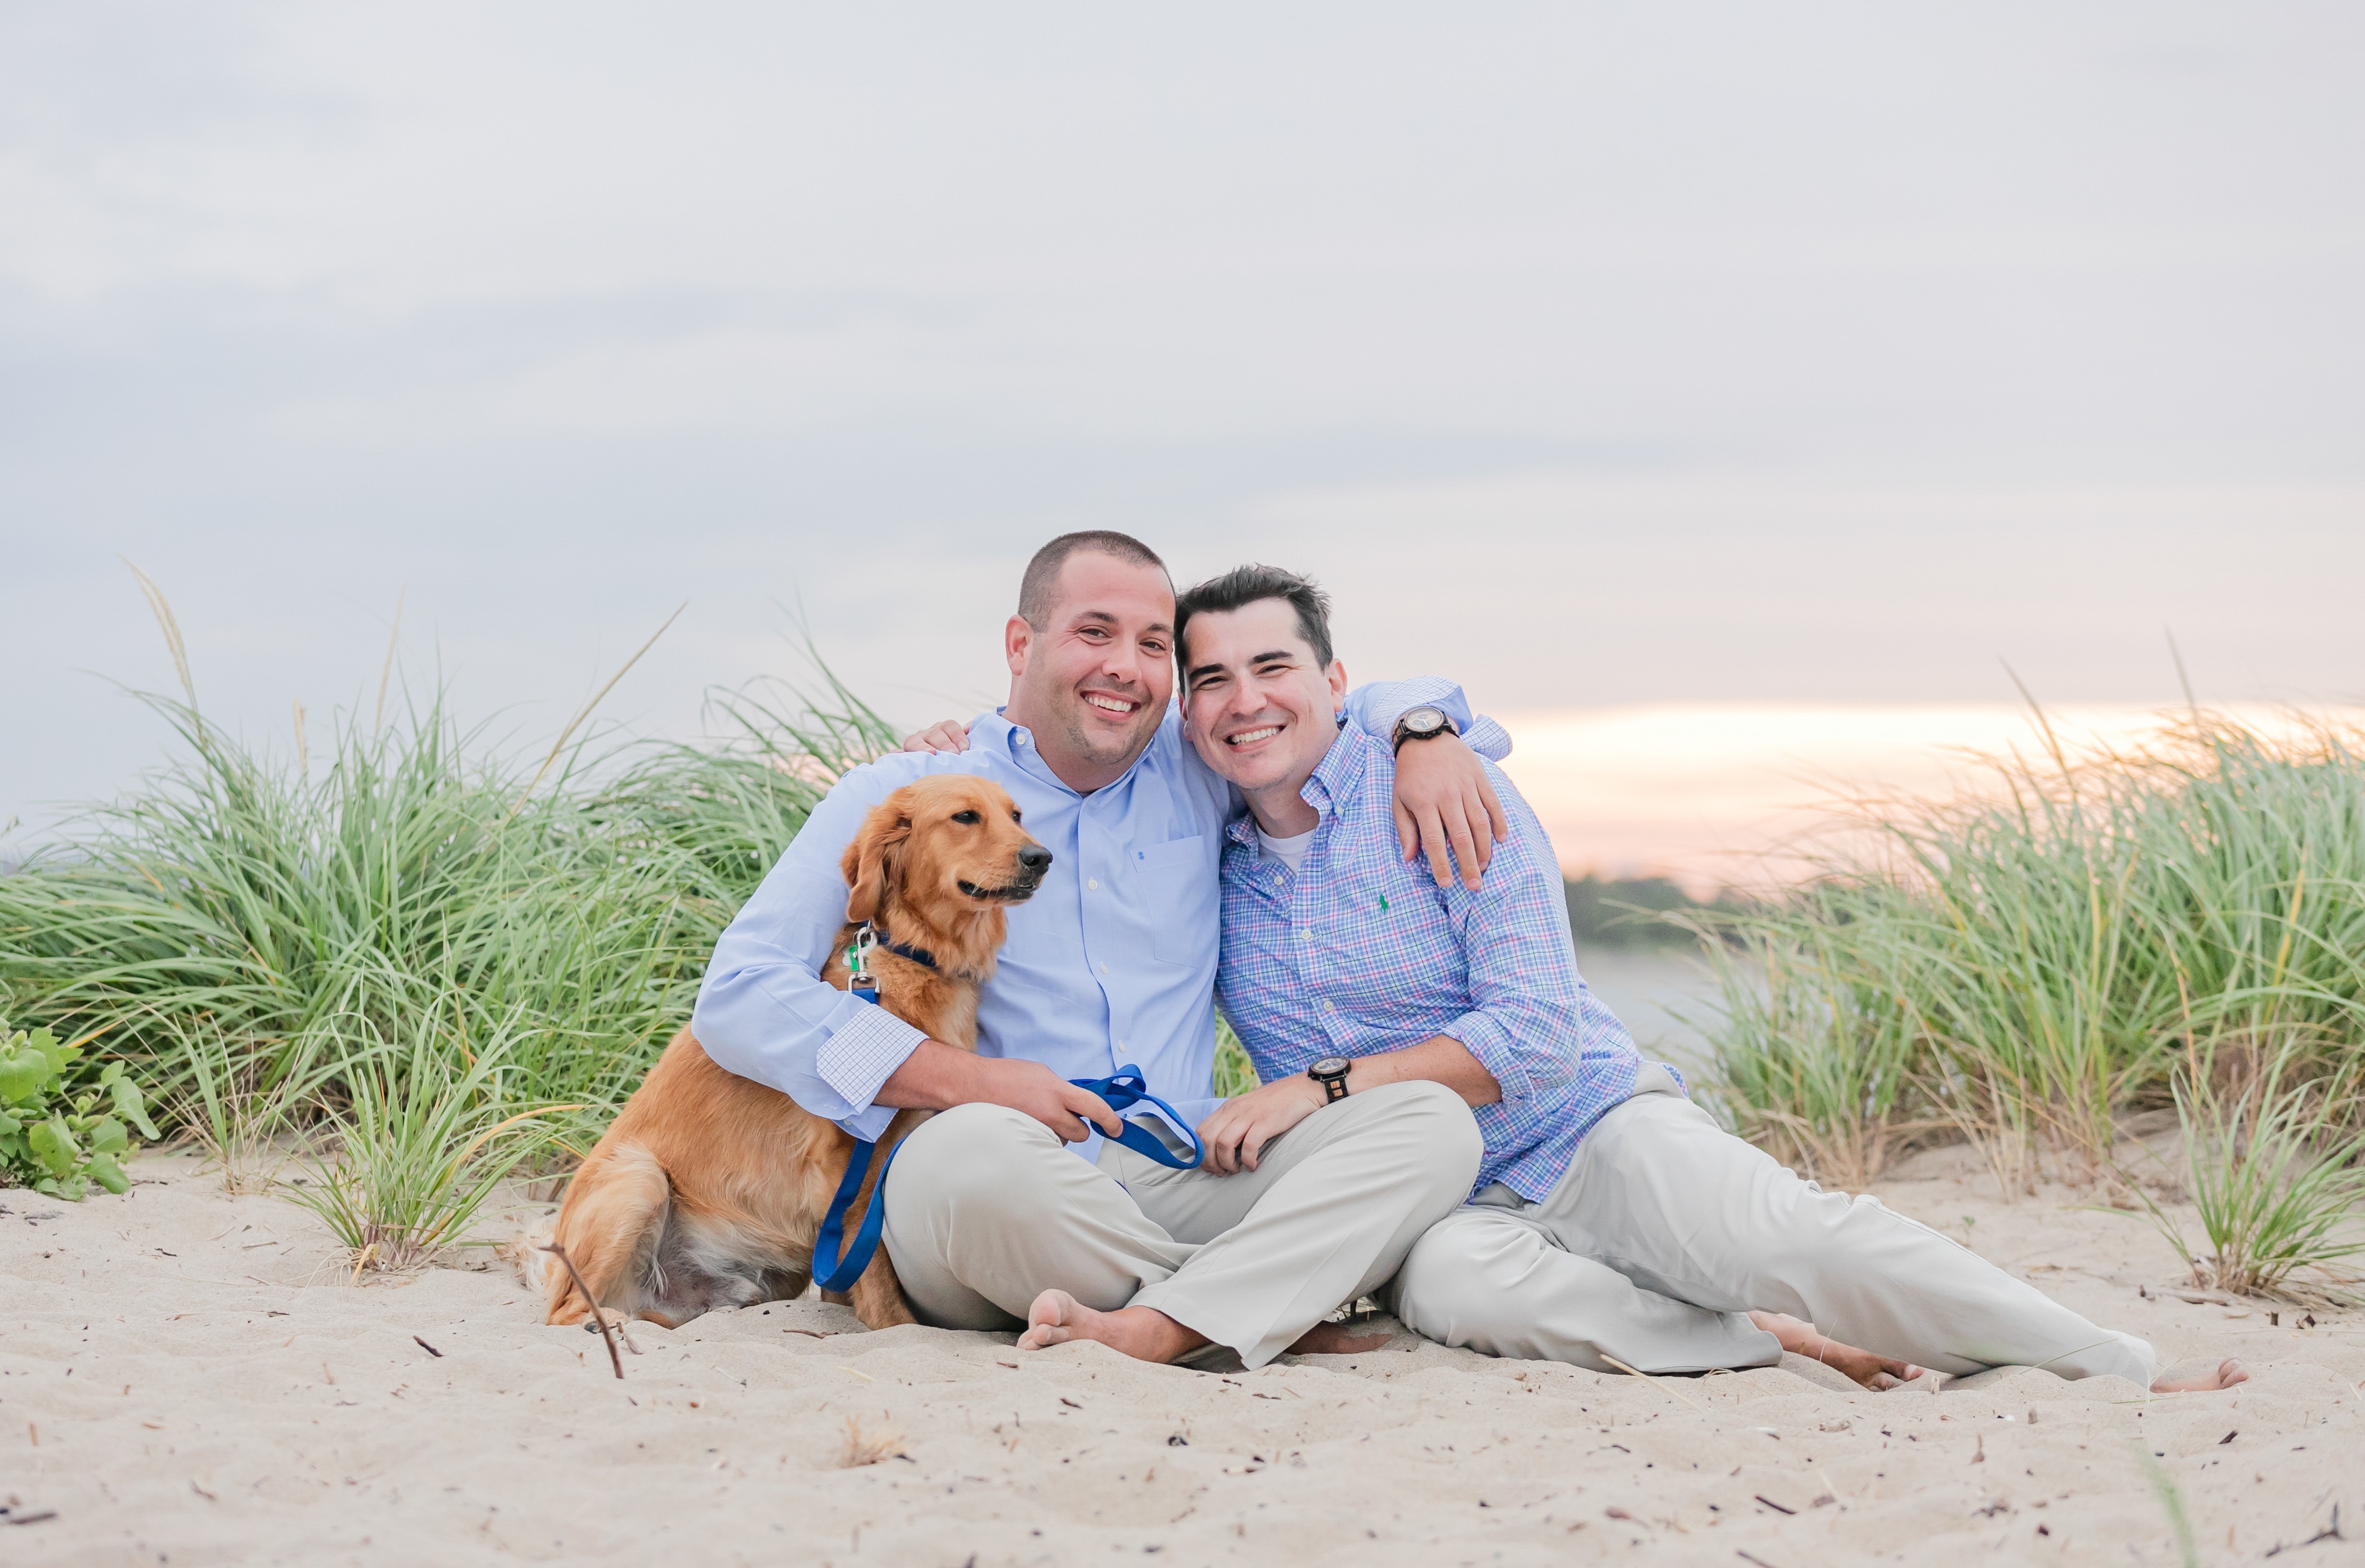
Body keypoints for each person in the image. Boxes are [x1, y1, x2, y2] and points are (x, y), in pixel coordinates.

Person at [1150, 560, 2242, 1395]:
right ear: (1189, 711)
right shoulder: (1213, 858)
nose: (1244, 700)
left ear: (1333, 682)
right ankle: (1762, 1344)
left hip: (1586, 1127)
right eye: (1213, 680)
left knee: (1791, 1237)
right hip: (1441, 1198)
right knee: (1455, 1292)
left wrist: (1326, 1086)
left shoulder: (1439, 789)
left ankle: (2115, 1367)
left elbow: (1536, 1035)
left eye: (1272, 667)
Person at [693, 530, 1503, 1369]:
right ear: (1020, 643)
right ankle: (1248, 1302)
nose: (1127, 665)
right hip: (1001, 1190)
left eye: (1155, 645)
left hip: (1182, 1164)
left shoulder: (1202, 771)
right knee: (960, 1155)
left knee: (1432, 1121)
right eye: (1094, 632)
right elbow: (739, 993)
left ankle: (1169, 1319)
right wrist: (976, 1083)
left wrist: (1423, 729)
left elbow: (1308, 699)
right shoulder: (909, 792)